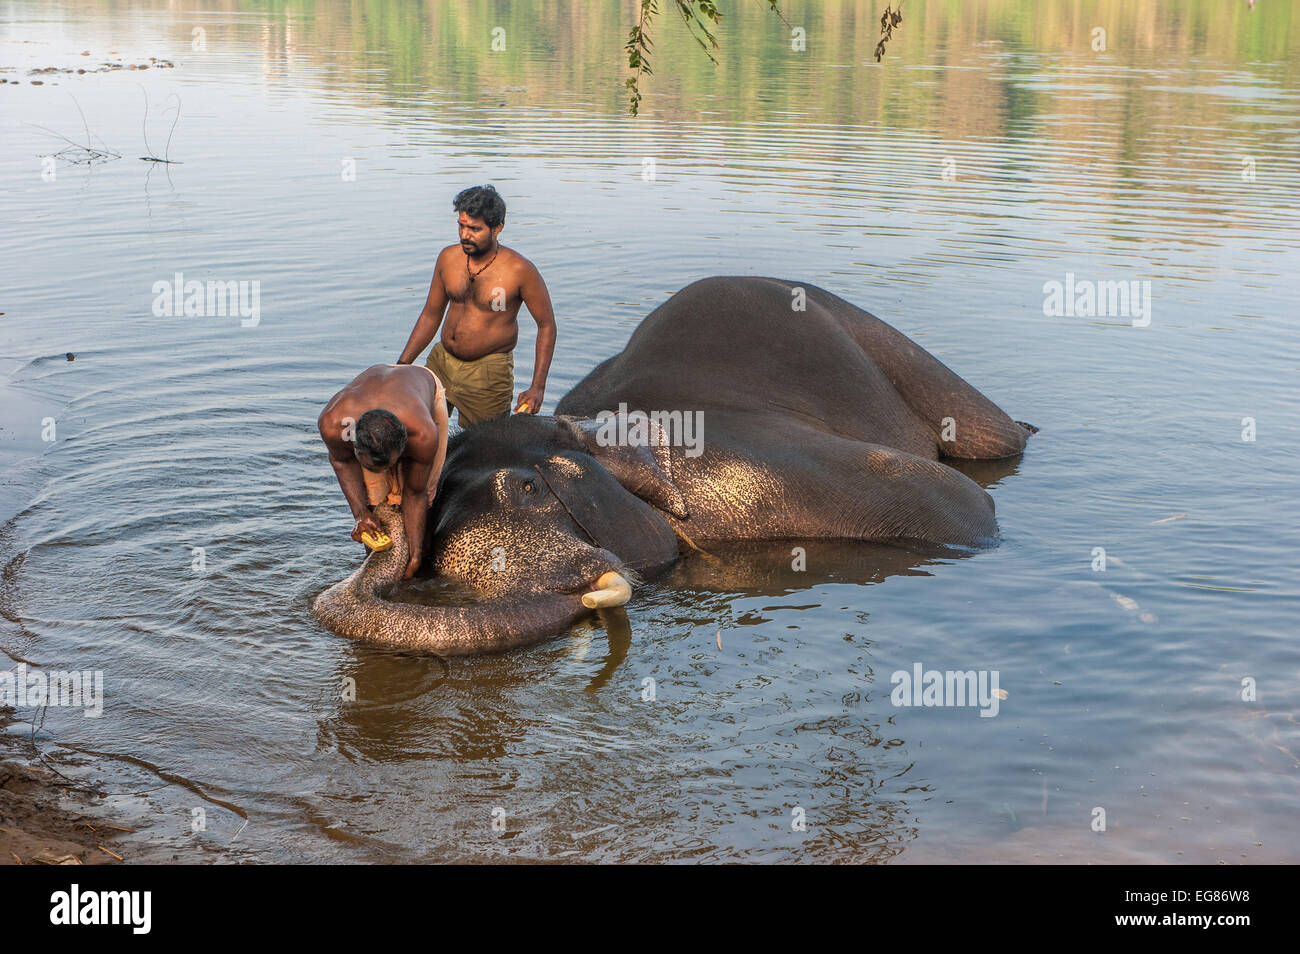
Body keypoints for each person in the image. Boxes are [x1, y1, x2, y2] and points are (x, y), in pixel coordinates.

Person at [396, 184, 557, 424]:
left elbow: (546, 326)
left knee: (484, 450)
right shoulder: (448, 258)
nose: (464, 235)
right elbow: (430, 315)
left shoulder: (520, 270)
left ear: (497, 228)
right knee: (415, 429)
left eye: (474, 229)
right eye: (461, 225)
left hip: (487, 375)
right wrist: (401, 366)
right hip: (441, 362)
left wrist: (537, 387)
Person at [318, 364, 449, 579]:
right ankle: (376, 564)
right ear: (355, 446)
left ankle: (423, 561)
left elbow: (415, 493)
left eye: (389, 465)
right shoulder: (333, 424)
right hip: (380, 397)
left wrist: (416, 553)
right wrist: (361, 515)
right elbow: (341, 462)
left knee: (425, 494)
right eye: (372, 467)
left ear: (403, 449)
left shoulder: (423, 434)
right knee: (375, 505)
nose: (384, 472)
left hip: (423, 387)